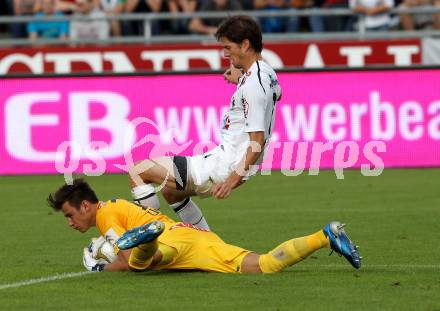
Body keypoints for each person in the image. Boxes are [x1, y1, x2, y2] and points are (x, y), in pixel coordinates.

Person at [128, 16, 282, 232]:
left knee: (139, 171)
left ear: (245, 44)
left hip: (223, 166)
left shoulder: (252, 86)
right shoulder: (265, 73)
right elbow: (268, 91)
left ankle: (147, 241)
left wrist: (231, 180)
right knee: (172, 191)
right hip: (224, 160)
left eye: (228, 48)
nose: (225, 54)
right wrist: (239, 77)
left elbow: (257, 140)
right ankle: (209, 243)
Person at [47, 179, 362, 273]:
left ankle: (148, 242)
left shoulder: (106, 215)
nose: (70, 222)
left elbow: (124, 263)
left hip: (172, 240)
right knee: (263, 265)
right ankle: (325, 236)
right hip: (194, 239)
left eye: (69, 215)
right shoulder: (116, 209)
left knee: (140, 263)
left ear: (85, 205)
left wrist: (101, 268)